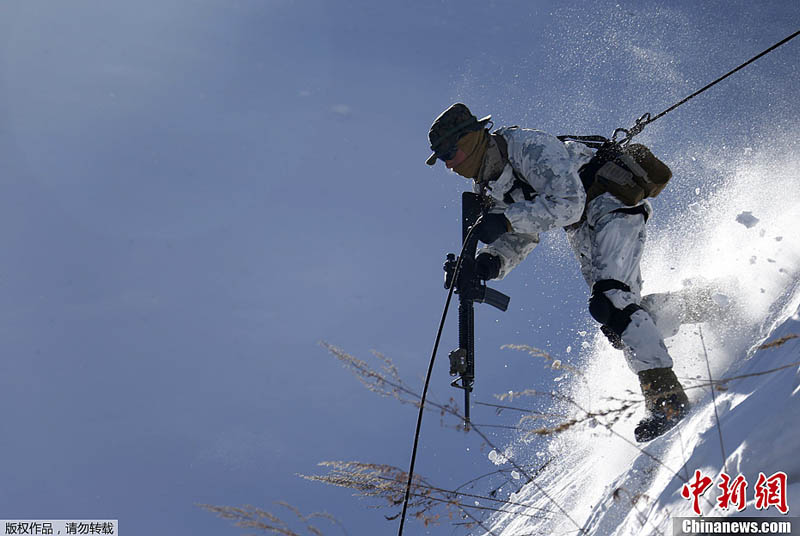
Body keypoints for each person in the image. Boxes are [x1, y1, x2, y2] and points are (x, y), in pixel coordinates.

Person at [426, 103, 722, 442]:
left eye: (450, 151)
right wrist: (490, 262)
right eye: (442, 159)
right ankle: (709, 304)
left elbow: (569, 202)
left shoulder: (526, 146)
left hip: (610, 203)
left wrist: (506, 220)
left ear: (472, 137)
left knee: (612, 303)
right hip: (582, 229)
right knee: (617, 319)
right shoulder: (490, 185)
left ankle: (666, 399)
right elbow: (524, 234)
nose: (449, 164)